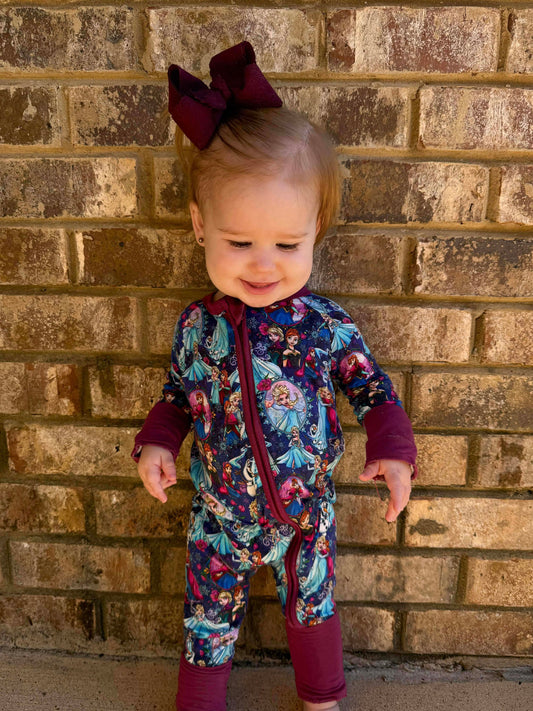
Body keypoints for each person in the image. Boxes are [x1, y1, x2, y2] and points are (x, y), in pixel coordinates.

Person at [132, 41, 417, 711]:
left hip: (305, 514)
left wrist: (393, 449)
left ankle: (321, 698)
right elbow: (177, 394)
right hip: (219, 515)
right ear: (199, 226)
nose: (263, 264)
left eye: (287, 244)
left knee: (313, 604)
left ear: (316, 229)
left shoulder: (323, 324)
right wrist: (157, 442)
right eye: (239, 242)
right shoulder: (196, 326)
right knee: (206, 620)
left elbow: (372, 389)